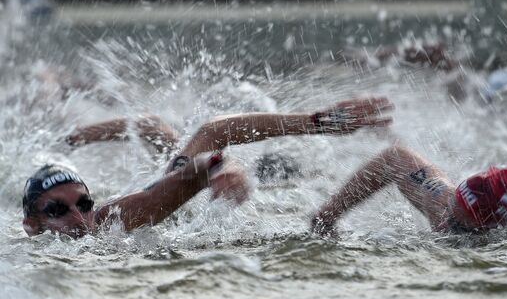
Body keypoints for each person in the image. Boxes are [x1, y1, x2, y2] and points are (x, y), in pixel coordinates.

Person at [22, 97, 394, 238]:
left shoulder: (115, 220)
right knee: (157, 130)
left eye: (84, 204)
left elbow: (214, 137)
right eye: (57, 210)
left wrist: (318, 122)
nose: (78, 218)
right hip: (188, 173)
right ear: (32, 224)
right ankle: (68, 139)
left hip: (213, 181)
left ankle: (68, 139)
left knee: (164, 134)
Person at [312, 145, 507, 235]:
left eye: (459, 213)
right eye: (455, 200)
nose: (449, 210)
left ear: (486, 224)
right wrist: (329, 214)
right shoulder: (442, 200)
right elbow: (394, 158)